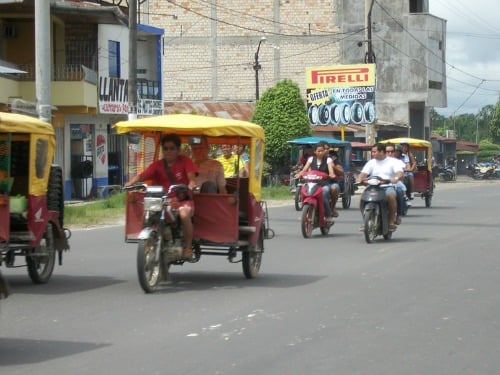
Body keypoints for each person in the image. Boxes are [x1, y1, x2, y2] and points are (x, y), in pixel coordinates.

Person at [124, 134, 197, 259]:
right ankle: (147, 243)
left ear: (178, 150)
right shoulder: (157, 165)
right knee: (147, 212)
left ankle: (188, 247)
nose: (168, 151)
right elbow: (142, 176)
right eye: (166, 148)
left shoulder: (185, 161)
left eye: (172, 148)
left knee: (184, 214)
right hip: (163, 200)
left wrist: (191, 186)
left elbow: (192, 179)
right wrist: (130, 183)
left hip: (182, 200)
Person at [356, 143, 404, 231]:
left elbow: (399, 173)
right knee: (362, 198)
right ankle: (365, 221)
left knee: (391, 196)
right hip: (373, 186)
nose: (372, 154)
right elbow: (363, 174)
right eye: (372, 152)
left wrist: (396, 178)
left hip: (387, 186)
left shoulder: (393, 161)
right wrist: (359, 179)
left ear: (382, 151)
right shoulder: (371, 162)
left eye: (374, 152)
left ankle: (391, 222)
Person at [295, 141, 337, 222]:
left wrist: (331, 174)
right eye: (318, 151)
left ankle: (328, 214)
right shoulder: (310, 159)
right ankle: (304, 214)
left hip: (323, 184)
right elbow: (304, 170)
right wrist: (299, 174)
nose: (320, 152)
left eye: (322, 150)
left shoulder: (328, 160)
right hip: (311, 183)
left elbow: (331, 171)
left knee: (324, 193)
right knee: (303, 190)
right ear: (315, 151)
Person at [387, 143, 407, 225]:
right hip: (379, 184)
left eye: (392, 151)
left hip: (394, 182)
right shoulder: (376, 161)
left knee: (399, 191)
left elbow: (400, 173)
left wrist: (396, 178)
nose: (390, 153)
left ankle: (399, 214)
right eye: (387, 151)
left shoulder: (398, 162)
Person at [324, 145, 343, 217]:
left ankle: (332, 207)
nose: (325, 150)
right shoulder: (313, 159)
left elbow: (341, 172)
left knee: (334, 188)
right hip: (317, 182)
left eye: (327, 149)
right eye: (323, 149)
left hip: (330, 182)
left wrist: (333, 167)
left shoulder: (333, 159)